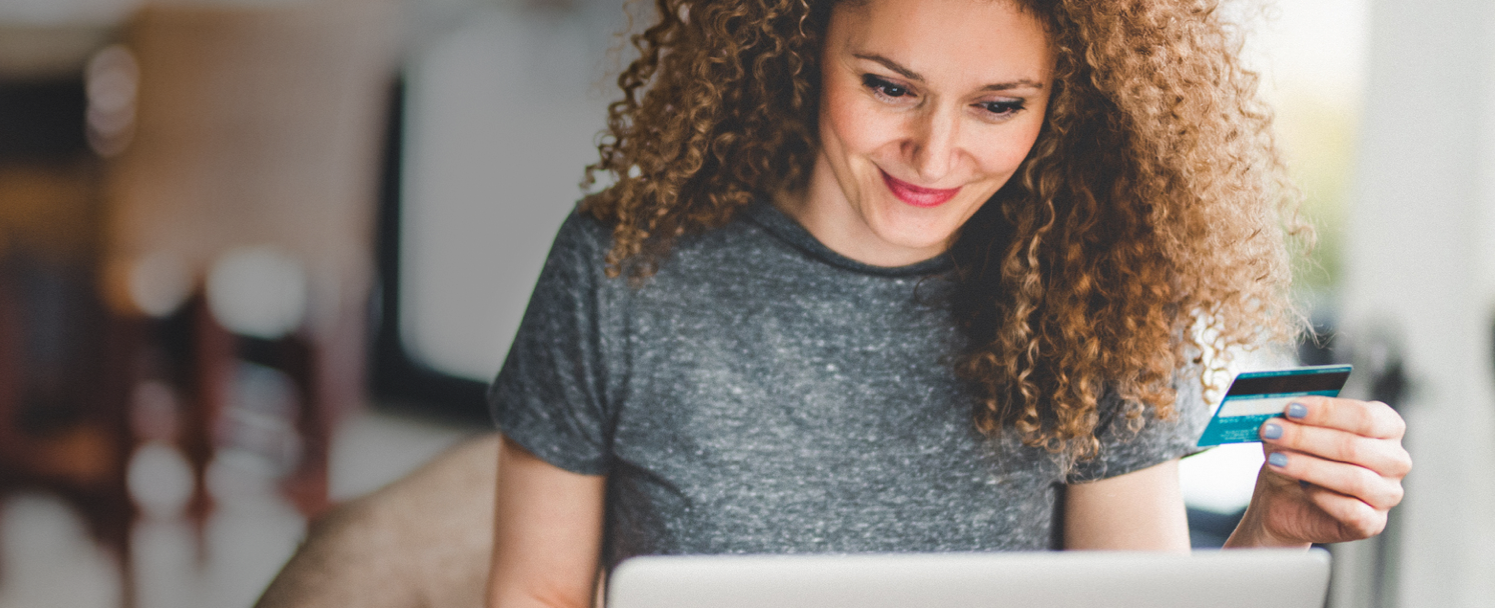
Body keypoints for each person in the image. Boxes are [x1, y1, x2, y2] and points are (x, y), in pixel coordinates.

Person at [485, 0, 1413, 606]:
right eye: (890, 88)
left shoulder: (1103, 299)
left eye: (999, 106)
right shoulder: (622, 270)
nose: (934, 157)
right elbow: (534, 597)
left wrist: (1272, 535)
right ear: (802, 43)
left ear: (1067, 101)